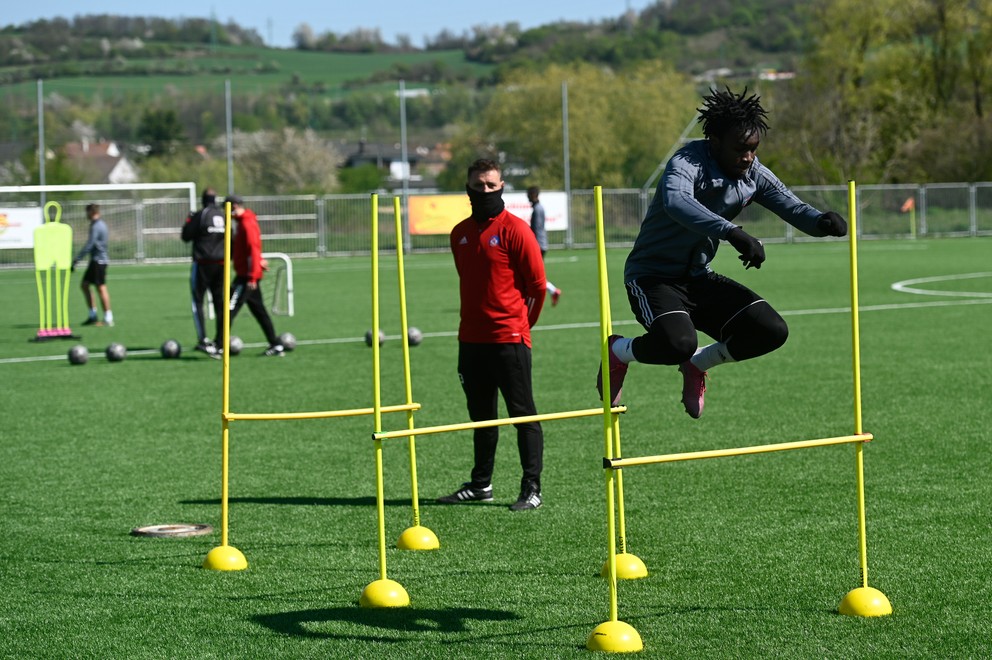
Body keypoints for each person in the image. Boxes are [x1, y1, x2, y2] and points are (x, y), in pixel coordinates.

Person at [597, 87, 848, 418]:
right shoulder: (687, 161)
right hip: (652, 278)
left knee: (771, 331)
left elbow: (791, 205)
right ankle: (619, 352)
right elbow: (677, 203)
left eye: (753, 149)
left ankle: (697, 365)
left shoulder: (753, 173)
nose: (748, 157)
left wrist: (822, 222)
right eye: (740, 149)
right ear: (714, 141)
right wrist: (732, 232)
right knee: (677, 344)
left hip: (699, 278)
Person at [439, 159, 547, 511]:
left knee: (522, 415)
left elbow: (536, 286)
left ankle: (531, 488)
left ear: (501, 186)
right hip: (470, 341)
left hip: (509, 339)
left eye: (490, 185)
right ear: (468, 188)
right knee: (481, 417)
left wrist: (521, 327)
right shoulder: (459, 233)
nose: (484, 191)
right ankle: (481, 484)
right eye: (478, 185)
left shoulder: (516, 229)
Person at [224, 195, 285, 357]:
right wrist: (259, 261)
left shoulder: (246, 223)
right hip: (246, 274)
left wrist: (252, 275)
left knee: (228, 309)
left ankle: (220, 344)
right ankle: (275, 344)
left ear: (234, 206)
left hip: (246, 277)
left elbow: (252, 249)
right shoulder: (241, 222)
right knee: (259, 311)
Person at [181, 188, 226, 357]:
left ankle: (203, 339)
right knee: (220, 303)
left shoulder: (201, 215)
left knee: (198, 302)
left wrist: (188, 220)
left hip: (203, 264)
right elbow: (232, 238)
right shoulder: (223, 215)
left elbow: (186, 236)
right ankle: (220, 341)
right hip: (222, 265)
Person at [72, 203, 113, 327]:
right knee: (84, 285)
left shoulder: (96, 226)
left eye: (87, 213)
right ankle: (92, 315)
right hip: (96, 261)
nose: (86, 215)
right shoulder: (101, 224)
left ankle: (108, 318)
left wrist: (76, 259)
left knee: (101, 288)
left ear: (91, 212)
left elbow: (90, 245)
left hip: (98, 261)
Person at [527, 186, 562, 306]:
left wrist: (532, 246)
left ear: (534, 195)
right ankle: (552, 291)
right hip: (541, 244)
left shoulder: (537, 209)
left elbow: (536, 229)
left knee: (534, 274)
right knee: (533, 273)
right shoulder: (538, 208)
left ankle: (549, 292)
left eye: (529, 194)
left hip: (538, 245)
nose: (528, 197)